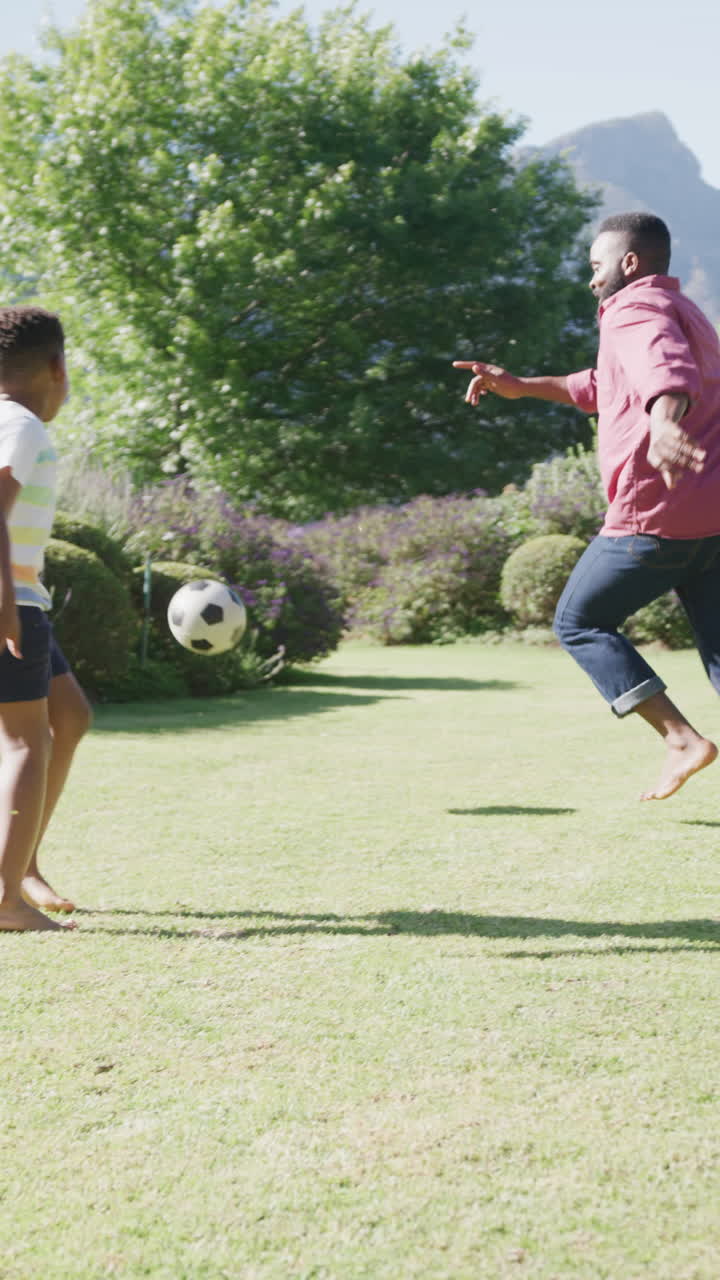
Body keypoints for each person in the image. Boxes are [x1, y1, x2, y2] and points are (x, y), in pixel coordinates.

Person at [454, 211, 720, 801]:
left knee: (578, 622)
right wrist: (520, 384)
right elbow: (601, 387)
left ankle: (681, 739)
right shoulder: (688, 312)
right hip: (712, 518)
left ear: (630, 263)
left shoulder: (634, 309)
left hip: (655, 514)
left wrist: (661, 420)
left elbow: (663, 369)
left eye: (596, 266)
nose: (591, 280)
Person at [0, 306, 91, 931]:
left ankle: (23, 864)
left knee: (70, 715)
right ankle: (7, 900)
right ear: (57, 367)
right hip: (14, 603)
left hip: (27, 598)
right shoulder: (21, 426)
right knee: (26, 741)